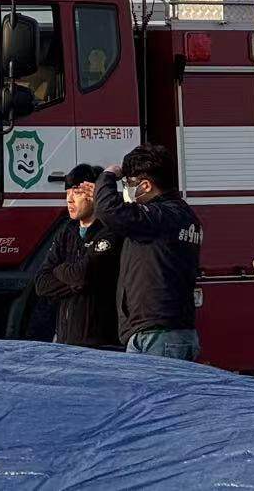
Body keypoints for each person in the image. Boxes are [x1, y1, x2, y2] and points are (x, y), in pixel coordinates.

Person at [94, 142, 203, 360]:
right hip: (164, 332)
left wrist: (107, 176)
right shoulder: (182, 215)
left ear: (145, 186)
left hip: (158, 335)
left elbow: (107, 209)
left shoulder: (161, 216)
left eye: (127, 183)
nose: (125, 188)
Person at [33, 162, 121, 349]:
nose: (70, 199)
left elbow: (83, 275)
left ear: (93, 193)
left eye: (77, 192)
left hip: (101, 344)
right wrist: (76, 280)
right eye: (67, 193)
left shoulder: (109, 231)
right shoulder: (67, 231)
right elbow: (41, 284)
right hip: (66, 342)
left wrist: (60, 269)